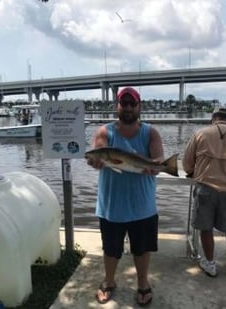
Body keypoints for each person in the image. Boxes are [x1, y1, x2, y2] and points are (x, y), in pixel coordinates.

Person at [86, 86, 164, 306]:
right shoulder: (104, 132)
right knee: (110, 249)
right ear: (117, 106)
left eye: (132, 103)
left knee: (142, 249)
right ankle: (109, 282)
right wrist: (97, 162)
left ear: (139, 107)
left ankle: (142, 284)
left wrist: (155, 166)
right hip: (112, 206)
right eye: (124, 103)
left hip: (143, 206)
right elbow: (99, 156)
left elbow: (159, 159)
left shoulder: (151, 133)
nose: (128, 107)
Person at [182, 107, 226, 278]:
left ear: (213, 119)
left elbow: (187, 163)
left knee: (206, 229)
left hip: (205, 188)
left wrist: (193, 171)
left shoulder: (200, 134)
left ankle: (210, 264)